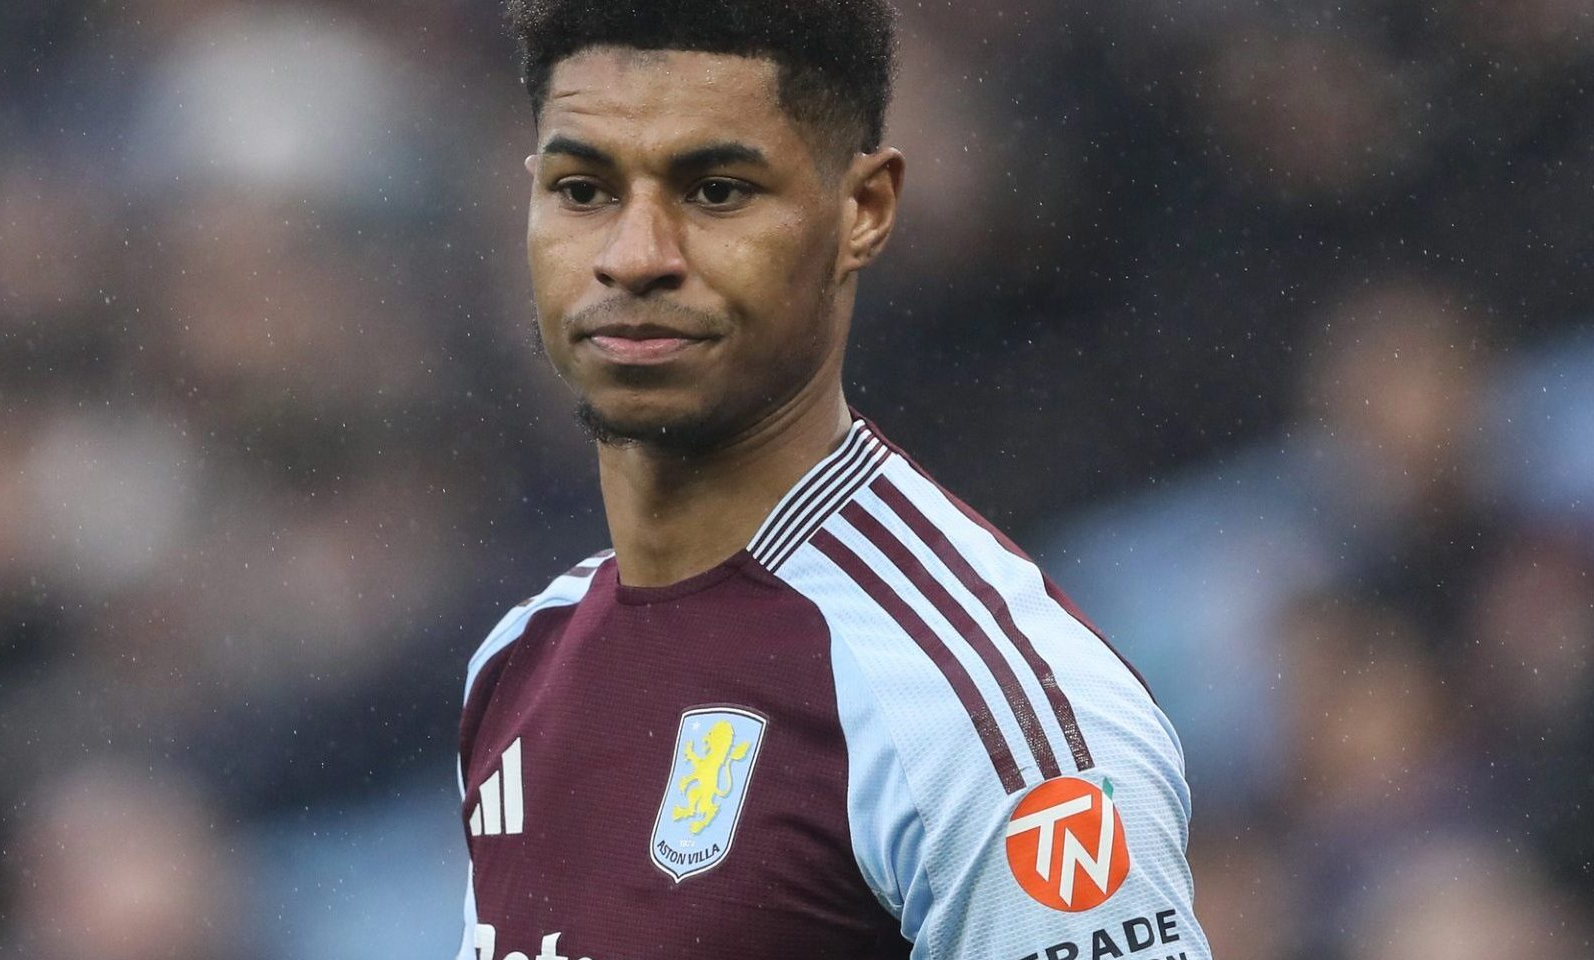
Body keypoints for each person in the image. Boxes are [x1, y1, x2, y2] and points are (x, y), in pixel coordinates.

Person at [457, 3, 1209, 958]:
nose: (633, 255)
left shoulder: (974, 712)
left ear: (864, 211)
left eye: (717, 190)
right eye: (582, 189)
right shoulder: (520, 660)